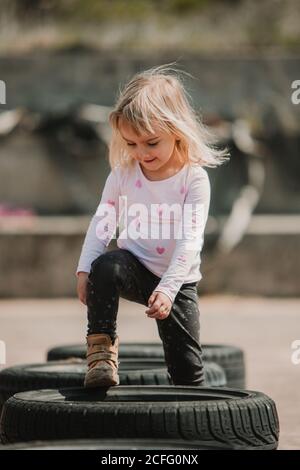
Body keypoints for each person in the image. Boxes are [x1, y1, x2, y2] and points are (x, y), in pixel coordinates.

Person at [76, 63, 229, 388]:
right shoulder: (123, 174)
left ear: (176, 130)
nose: (141, 153)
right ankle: (101, 355)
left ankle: (188, 416)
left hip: (178, 280)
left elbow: (190, 241)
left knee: (187, 370)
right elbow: (103, 222)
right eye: (131, 144)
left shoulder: (194, 178)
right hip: (134, 266)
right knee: (105, 266)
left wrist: (169, 289)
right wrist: (83, 269)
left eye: (151, 143)